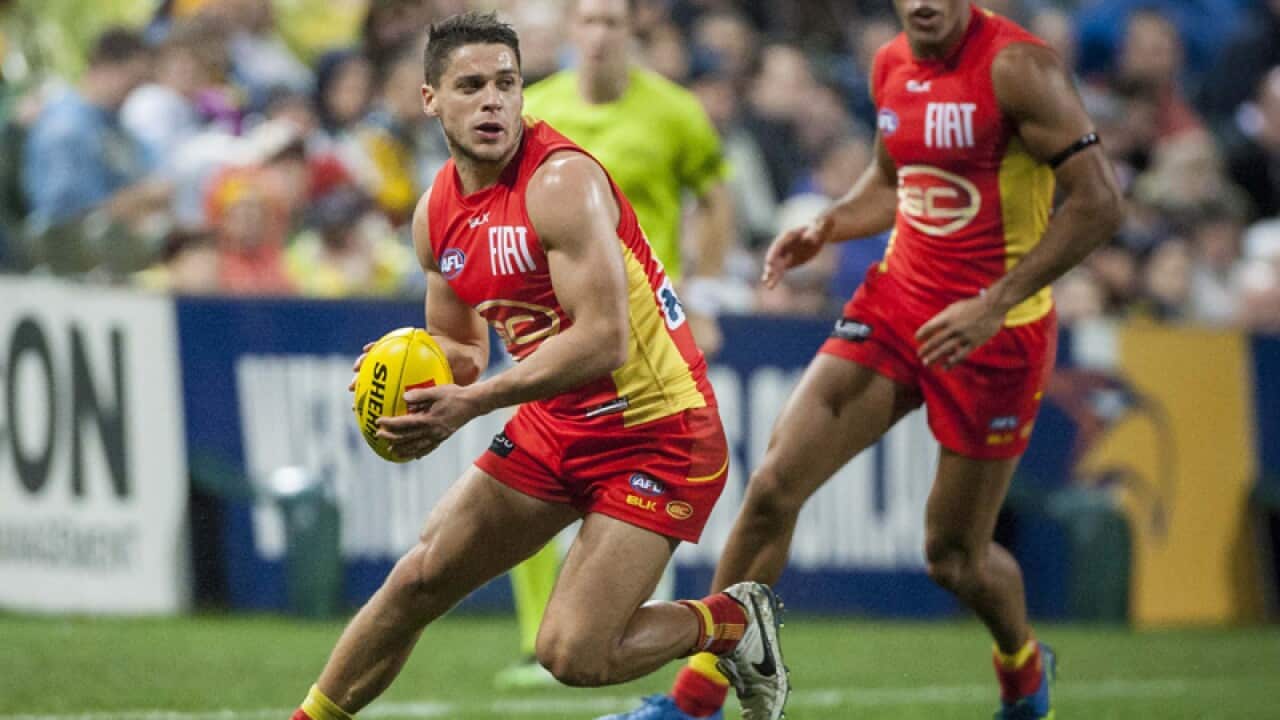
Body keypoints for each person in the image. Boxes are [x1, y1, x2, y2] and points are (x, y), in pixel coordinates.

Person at [604, 2, 1123, 719]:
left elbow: (1100, 203)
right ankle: (695, 702)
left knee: (953, 558)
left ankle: (1024, 666)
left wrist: (995, 301)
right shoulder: (890, 65)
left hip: (996, 335)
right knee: (774, 487)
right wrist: (829, 222)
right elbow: (893, 181)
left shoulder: (1019, 68)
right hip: (896, 305)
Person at [288, 13, 788, 720]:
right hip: (556, 424)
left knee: (572, 655)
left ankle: (731, 624)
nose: (493, 101)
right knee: (419, 579)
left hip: (658, 430)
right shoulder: (436, 212)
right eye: (471, 86)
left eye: (507, 83)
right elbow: (460, 348)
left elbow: (602, 341)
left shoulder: (562, 183)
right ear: (430, 99)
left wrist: (479, 400)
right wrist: (417, 377)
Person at [494, 0, 735, 689]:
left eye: (612, 23)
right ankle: (533, 639)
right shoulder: (534, 108)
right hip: (553, 326)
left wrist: (708, 296)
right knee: (520, 477)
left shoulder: (675, 111)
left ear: (634, 32)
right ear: (571, 30)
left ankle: (645, 613)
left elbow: (715, 198)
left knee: (650, 473)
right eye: (588, 21)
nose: (599, 36)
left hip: (649, 332)